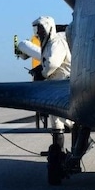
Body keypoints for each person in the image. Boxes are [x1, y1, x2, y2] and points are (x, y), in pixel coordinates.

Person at [27, 16, 73, 147]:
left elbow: (52, 64)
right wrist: (40, 69)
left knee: (63, 115)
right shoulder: (48, 44)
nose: (39, 32)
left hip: (62, 83)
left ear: (49, 27)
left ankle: (81, 140)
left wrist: (41, 73)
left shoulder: (56, 42)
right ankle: (58, 149)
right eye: (37, 29)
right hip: (55, 83)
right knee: (56, 119)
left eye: (41, 28)